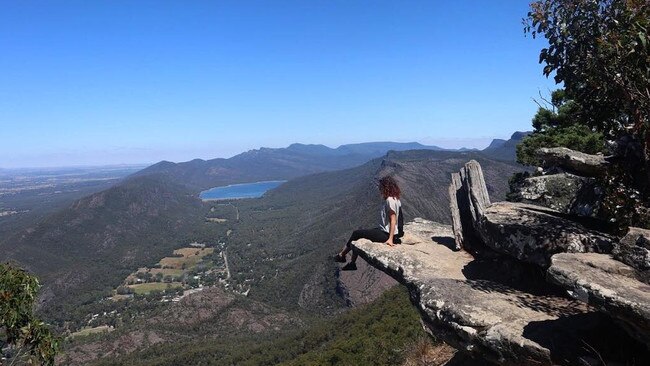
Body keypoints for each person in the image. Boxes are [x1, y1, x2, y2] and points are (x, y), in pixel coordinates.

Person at [334, 176, 402, 271]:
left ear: (386, 187)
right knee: (359, 235)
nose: (379, 189)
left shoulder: (390, 200)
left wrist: (390, 239)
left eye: (381, 187)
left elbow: (393, 219)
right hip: (384, 232)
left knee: (356, 233)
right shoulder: (395, 199)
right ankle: (351, 262)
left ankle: (342, 255)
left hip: (385, 234)